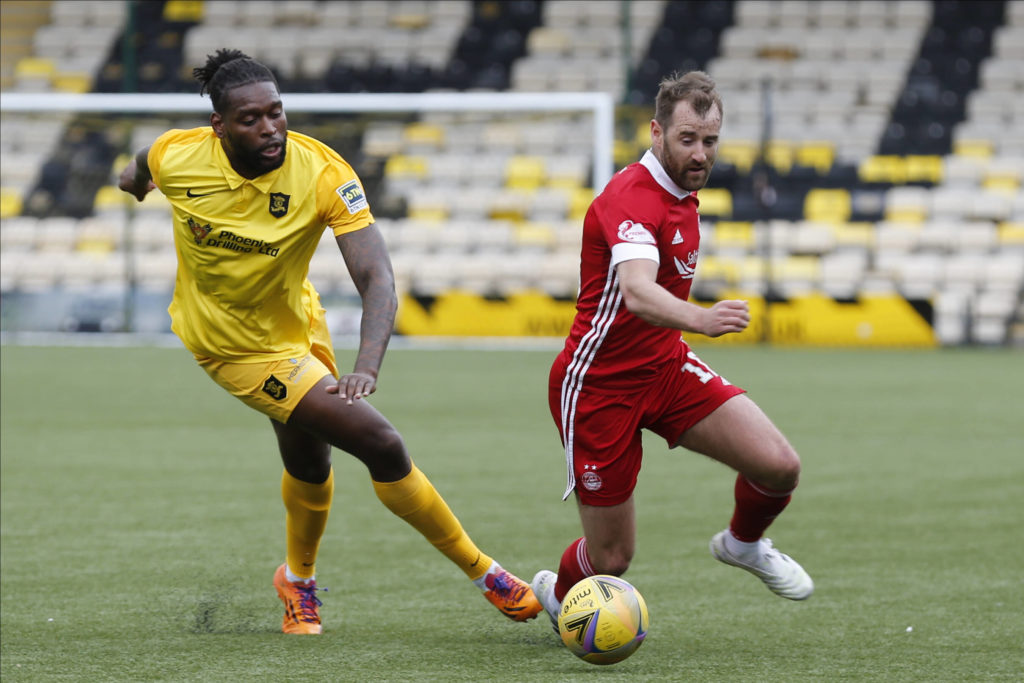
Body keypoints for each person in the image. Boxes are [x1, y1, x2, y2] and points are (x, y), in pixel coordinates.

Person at [118, 48, 541, 635]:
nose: (270, 128)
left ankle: (297, 582)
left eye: (276, 112)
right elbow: (143, 164)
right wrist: (134, 181)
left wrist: (367, 365)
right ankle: (487, 574)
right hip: (229, 349)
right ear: (219, 127)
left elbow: (377, 277)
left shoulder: (322, 172)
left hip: (300, 328)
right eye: (250, 119)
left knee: (309, 460)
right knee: (380, 441)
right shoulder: (179, 155)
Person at [530, 71, 813, 628]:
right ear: (656, 131)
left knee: (779, 467)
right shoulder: (632, 196)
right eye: (687, 139)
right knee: (612, 559)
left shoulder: (685, 192)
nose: (701, 153)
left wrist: (686, 332)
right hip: (599, 385)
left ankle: (743, 543)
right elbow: (636, 291)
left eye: (710, 140)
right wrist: (701, 319)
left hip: (663, 368)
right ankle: (558, 591)